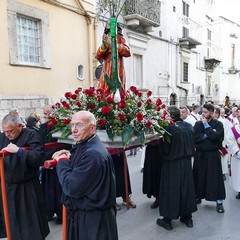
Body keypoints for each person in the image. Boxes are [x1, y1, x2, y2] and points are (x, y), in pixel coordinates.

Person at [52, 110, 118, 239]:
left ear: (92, 128)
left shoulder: (93, 154)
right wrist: (69, 156)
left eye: (79, 125)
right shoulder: (87, 145)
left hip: (94, 222)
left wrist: (62, 161)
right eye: (72, 125)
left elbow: (70, 187)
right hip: (87, 216)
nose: (74, 130)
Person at [0, 113, 49, 239]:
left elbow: (38, 158)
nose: (7, 135)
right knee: (12, 225)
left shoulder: (32, 135)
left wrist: (19, 151)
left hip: (27, 187)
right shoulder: (2, 137)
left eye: (10, 131)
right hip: (8, 187)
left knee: (31, 227)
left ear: (20, 126)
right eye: (5, 131)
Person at [156, 106, 197, 230]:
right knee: (186, 189)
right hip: (186, 163)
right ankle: (187, 217)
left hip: (172, 164)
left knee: (170, 190)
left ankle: (167, 219)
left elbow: (163, 149)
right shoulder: (189, 127)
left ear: (169, 116)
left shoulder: (168, 129)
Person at [193, 104, 225, 213]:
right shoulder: (197, 124)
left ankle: (219, 202)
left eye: (206, 112)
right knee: (198, 176)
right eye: (202, 111)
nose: (203, 114)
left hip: (212, 155)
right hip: (200, 155)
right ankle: (198, 196)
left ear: (212, 113)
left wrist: (206, 127)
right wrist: (207, 135)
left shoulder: (218, 124)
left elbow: (216, 137)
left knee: (214, 179)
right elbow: (195, 138)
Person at [39, 105, 66, 224]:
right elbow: (40, 144)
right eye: (44, 114)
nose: (46, 116)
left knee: (58, 189)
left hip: (57, 163)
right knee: (48, 190)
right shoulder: (42, 127)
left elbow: (61, 144)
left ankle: (61, 214)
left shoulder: (60, 127)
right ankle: (48, 212)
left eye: (47, 113)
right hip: (47, 164)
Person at [95, 22, 131, 92]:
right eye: (108, 30)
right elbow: (98, 56)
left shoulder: (120, 39)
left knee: (118, 87)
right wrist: (104, 46)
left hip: (117, 67)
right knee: (105, 86)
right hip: (106, 68)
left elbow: (127, 52)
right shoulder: (105, 39)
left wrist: (114, 45)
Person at [142, 142, 163, 209]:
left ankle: (164, 197)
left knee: (161, 174)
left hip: (162, 148)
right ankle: (157, 197)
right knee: (154, 174)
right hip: (152, 149)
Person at [226, 111, 240, 199]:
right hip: (237, 155)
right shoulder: (234, 129)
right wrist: (237, 152)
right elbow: (230, 141)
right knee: (238, 174)